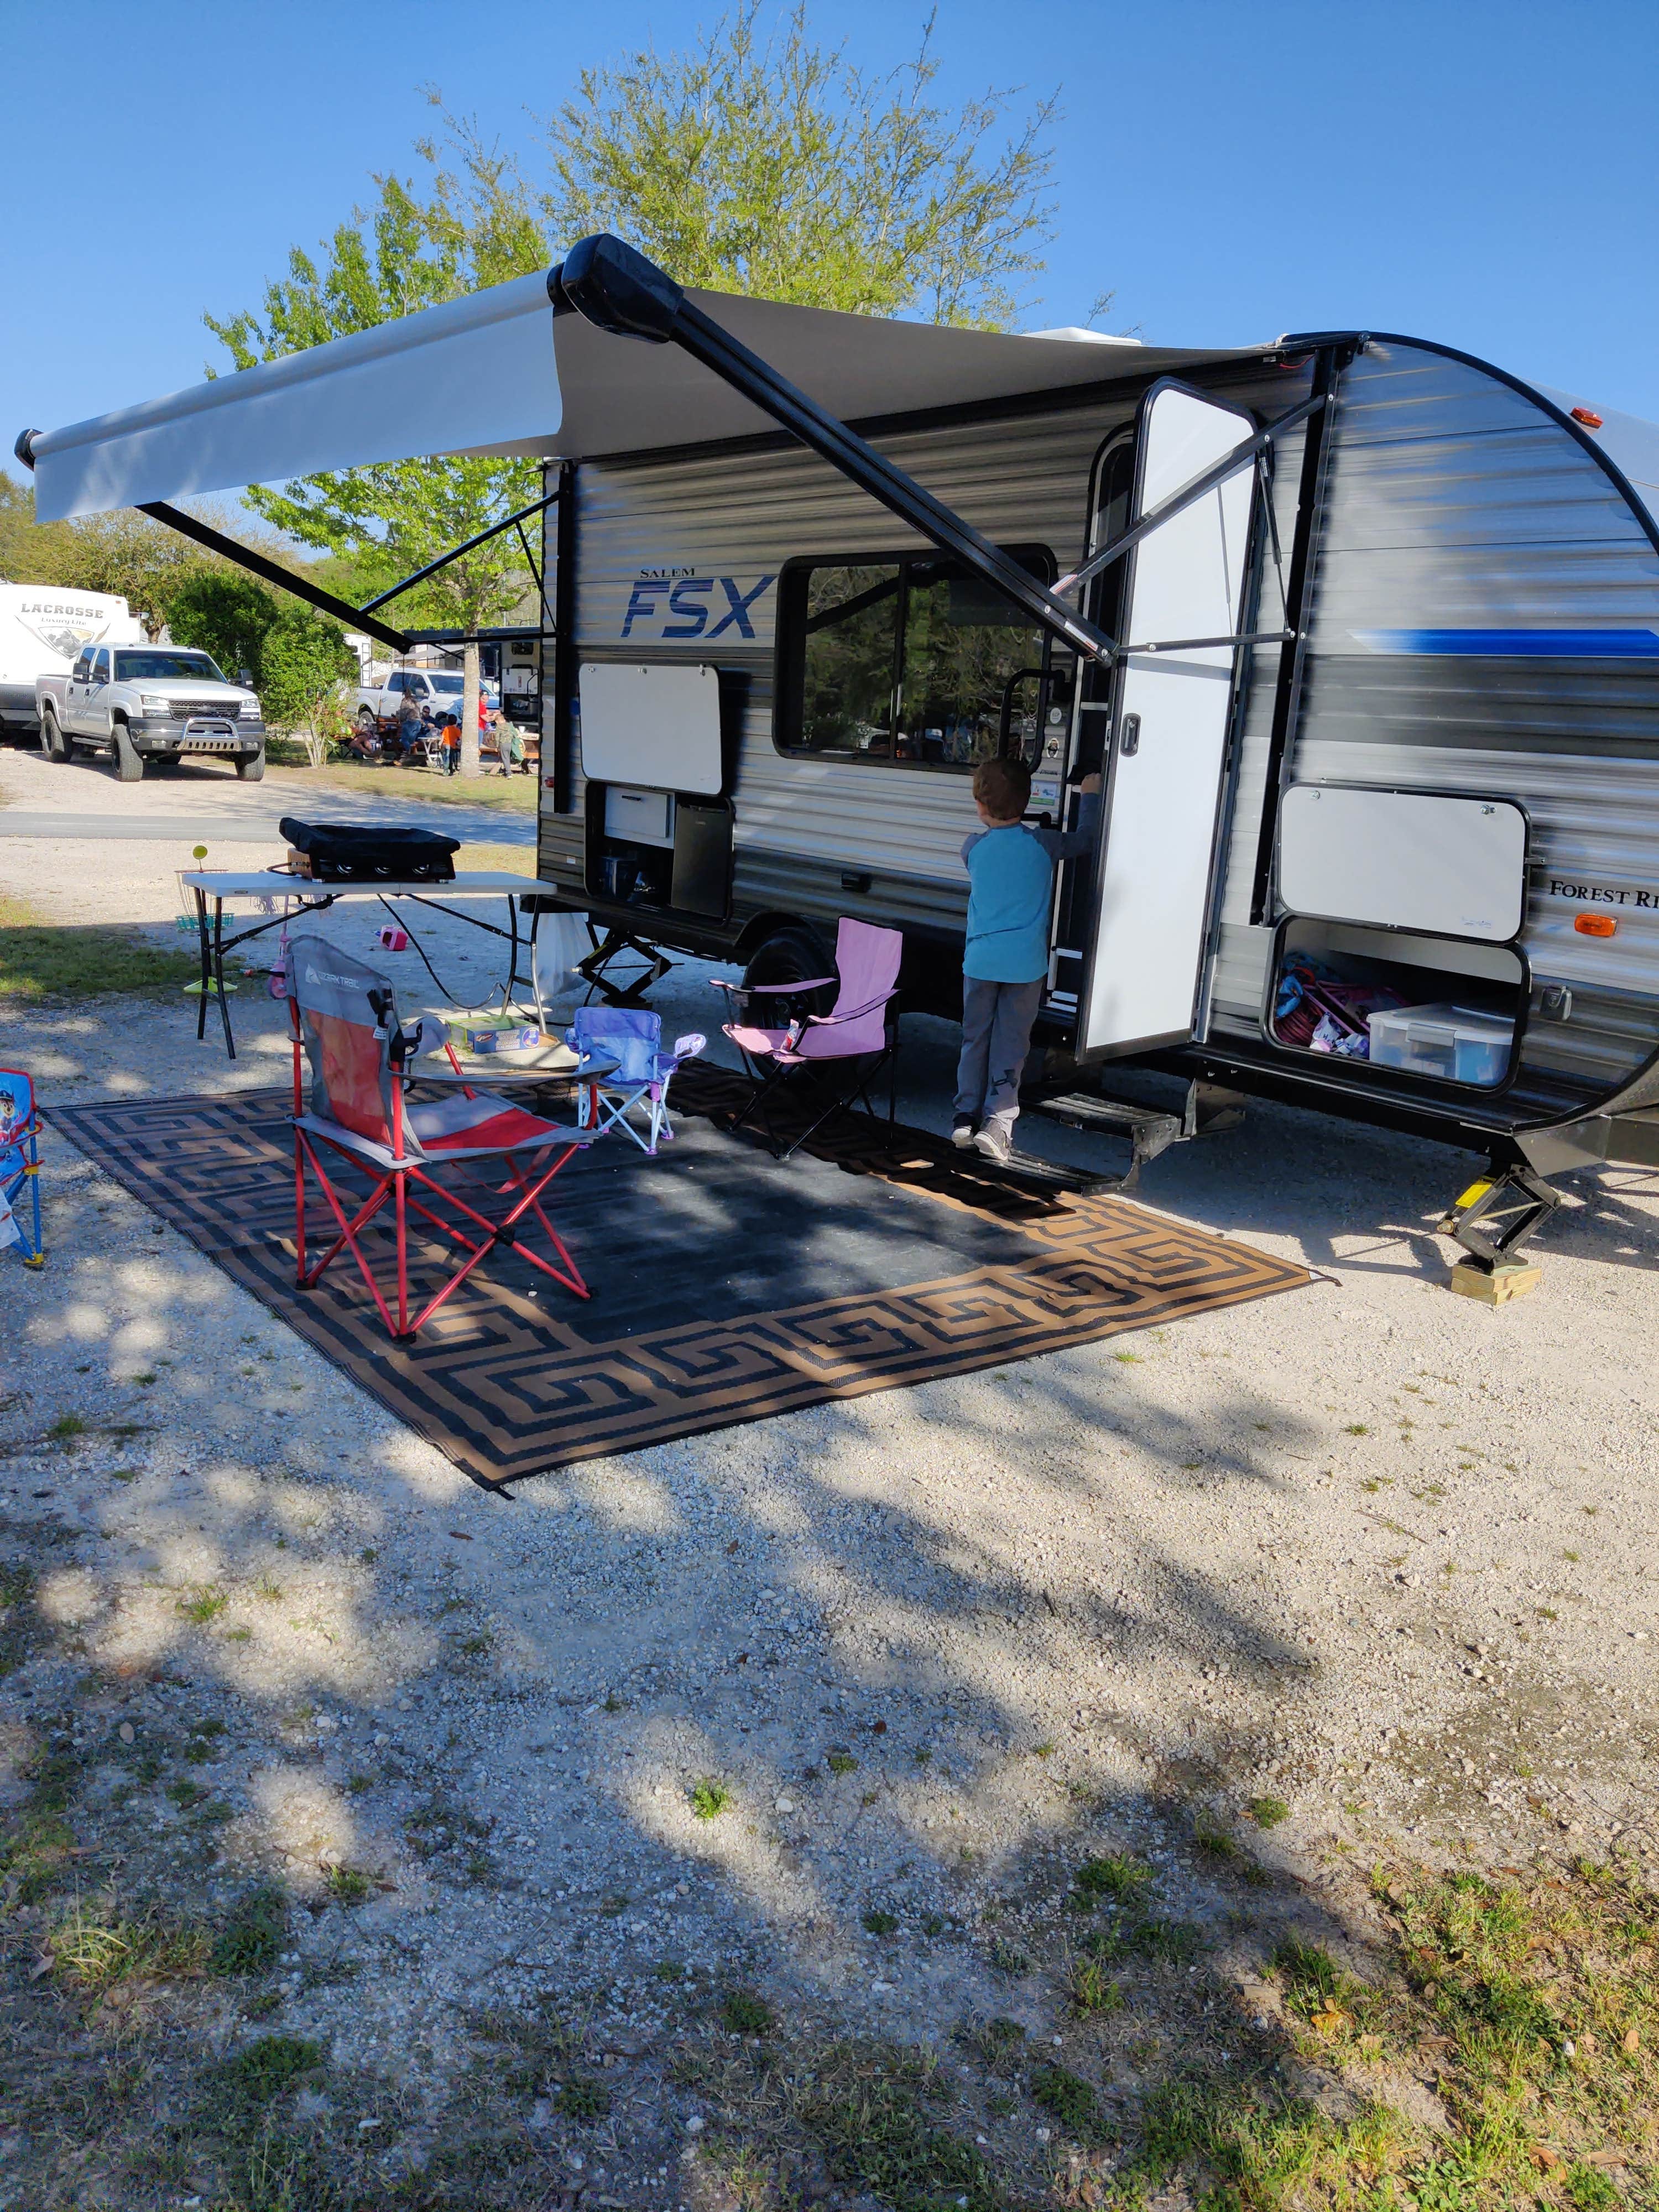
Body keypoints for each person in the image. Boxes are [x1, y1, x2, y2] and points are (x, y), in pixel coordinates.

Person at [953, 754, 1102, 1165]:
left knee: (975, 1039)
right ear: (1028, 798)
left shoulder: (973, 848)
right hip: (1024, 966)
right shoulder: (1044, 844)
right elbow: (1087, 839)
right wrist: (1090, 796)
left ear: (980, 806)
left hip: (980, 963)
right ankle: (998, 1124)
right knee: (1011, 1043)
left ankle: (964, 1117)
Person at [437, 711, 462, 776]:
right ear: (456, 722)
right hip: (451, 746)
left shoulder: (446, 728)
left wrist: (440, 744)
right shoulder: (457, 730)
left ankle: (446, 770)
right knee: (450, 759)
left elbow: (443, 736)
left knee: (446, 758)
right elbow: (461, 738)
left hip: (444, 745)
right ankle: (449, 771)